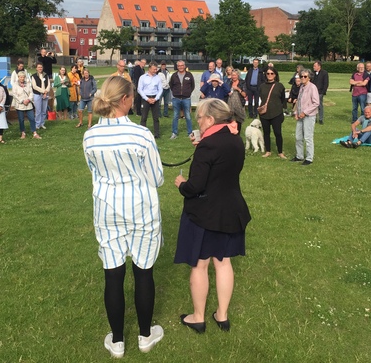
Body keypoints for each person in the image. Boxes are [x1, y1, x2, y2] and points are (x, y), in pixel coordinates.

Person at [83, 76, 165, 358]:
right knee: (144, 273)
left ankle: (117, 340)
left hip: (107, 209)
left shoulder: (90, 135)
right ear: (127, 100)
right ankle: (144, 335)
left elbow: (94, 173)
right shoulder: (142, 135)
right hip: (141, 209)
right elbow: (157, 177)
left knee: (113, 275)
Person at [174, 98, 251, 334]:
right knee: (224, 262)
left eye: (199, 118)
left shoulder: (209, 145)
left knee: (199, 265)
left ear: (210, 119)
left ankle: (198, 316)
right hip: (231, 209)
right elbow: (219, 168)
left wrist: (181, 184)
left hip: (205, 213)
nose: (198, 122)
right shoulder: (234, 138)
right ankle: (222, 315)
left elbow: (195, 186)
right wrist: (201, 145)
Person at [291, 69, 319, 165]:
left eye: (305, 76)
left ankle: (309, 158)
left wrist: (305, 112)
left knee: (308, 137)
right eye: (301, 76)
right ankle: (299, 156)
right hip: (300, 115)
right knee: (298, 137)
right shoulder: (302, 87)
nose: (302, 78)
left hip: (309, 116)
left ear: (309, 78)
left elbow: (316, 103)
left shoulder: (312, 87)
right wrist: (296, 112)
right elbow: (299, 100)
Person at [257, 67, 287, 159]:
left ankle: (280, 152)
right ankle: (268, 151)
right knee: (266, 133)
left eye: (272, 73)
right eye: (268, 73)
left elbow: (283, 100)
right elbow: (261, 98)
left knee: (278, 133)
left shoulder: (279, 86)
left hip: (276, 113)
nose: (270, 75)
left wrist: (281, 111)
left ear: (275, 75)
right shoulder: (262, 86)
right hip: (265, 114)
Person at [169, 60, 195, 140]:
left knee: (188, 116)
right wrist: (176, 93)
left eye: (182, 65)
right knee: (175, 116)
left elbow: (192, 86)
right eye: (179, 66)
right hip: (176, 98)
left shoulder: (189, 75)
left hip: (186, 98)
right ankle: (174, 133)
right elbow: (171, 86)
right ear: (177, 67)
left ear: (184, 66)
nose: (180, 67)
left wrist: (187, 92)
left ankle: (190, 132)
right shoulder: (174, 75)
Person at [11, 71, 41, 139]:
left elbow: (31, 93)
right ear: (18, 77)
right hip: (20, 105)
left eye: (23, 77)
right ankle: (23, 132)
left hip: (28, 104)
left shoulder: (28, 84)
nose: (22, 78)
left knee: (32, 118)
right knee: (21, 119)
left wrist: (28, 99)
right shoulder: (15, 85)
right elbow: (14, 95)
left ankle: (34, 132)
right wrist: (22, 101)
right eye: (21, 77)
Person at [138, 61, 163, 138]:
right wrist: (147, 99)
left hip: (155, 97)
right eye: (154, 69)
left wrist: (155, 99)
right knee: (144, 117)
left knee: (156, 118)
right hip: (146, 98)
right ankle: (143, 134)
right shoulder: (142, 77)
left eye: (156, 69)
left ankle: (156, 134)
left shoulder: (158, 78)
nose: (155, 71)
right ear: (149, 68)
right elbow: (140, 89)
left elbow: (160, 89)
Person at [31, 62, 51, 130]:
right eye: (39, 67)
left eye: (41, 67)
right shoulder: (33, 76)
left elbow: (48, 85)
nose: (40, 68)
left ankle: (42, 123)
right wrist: (43, 91)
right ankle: (37, 124)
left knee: (44, 110)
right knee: (38, 110)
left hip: (45, 95)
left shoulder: (46, 75)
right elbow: (34, 86)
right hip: (37, 94)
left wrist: (46, 91)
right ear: (36, 68)